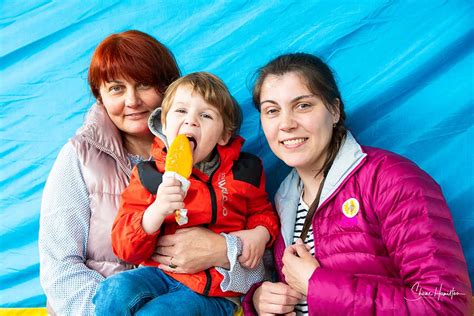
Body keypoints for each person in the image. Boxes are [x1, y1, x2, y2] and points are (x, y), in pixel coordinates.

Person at [242, 53, 472, 315]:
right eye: (272, 110)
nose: (286, 124)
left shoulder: (392, 181)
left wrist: (318, 285)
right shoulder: (282, 199)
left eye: (303, 105)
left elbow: (446, 305)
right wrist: (259, 301)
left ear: (334, 110)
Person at [93, 72, 279, 315]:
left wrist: (260, 233)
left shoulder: (245, 171)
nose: (191, 121)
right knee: (114, 289)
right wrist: (156, 211)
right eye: (181, 112)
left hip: (214, 290)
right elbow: (125, 247)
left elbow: (263, 212)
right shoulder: (149, 175)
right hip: (159, 274)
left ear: (224, 135)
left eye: (205, 115)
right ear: (165, 124)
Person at [38, 30, 181, 315]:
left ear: (167, 87)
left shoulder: (200, 151)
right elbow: (59, 267)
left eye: (143, 84)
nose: (132, 101)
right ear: (100, 96)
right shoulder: (79, 157)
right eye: (116, 88)